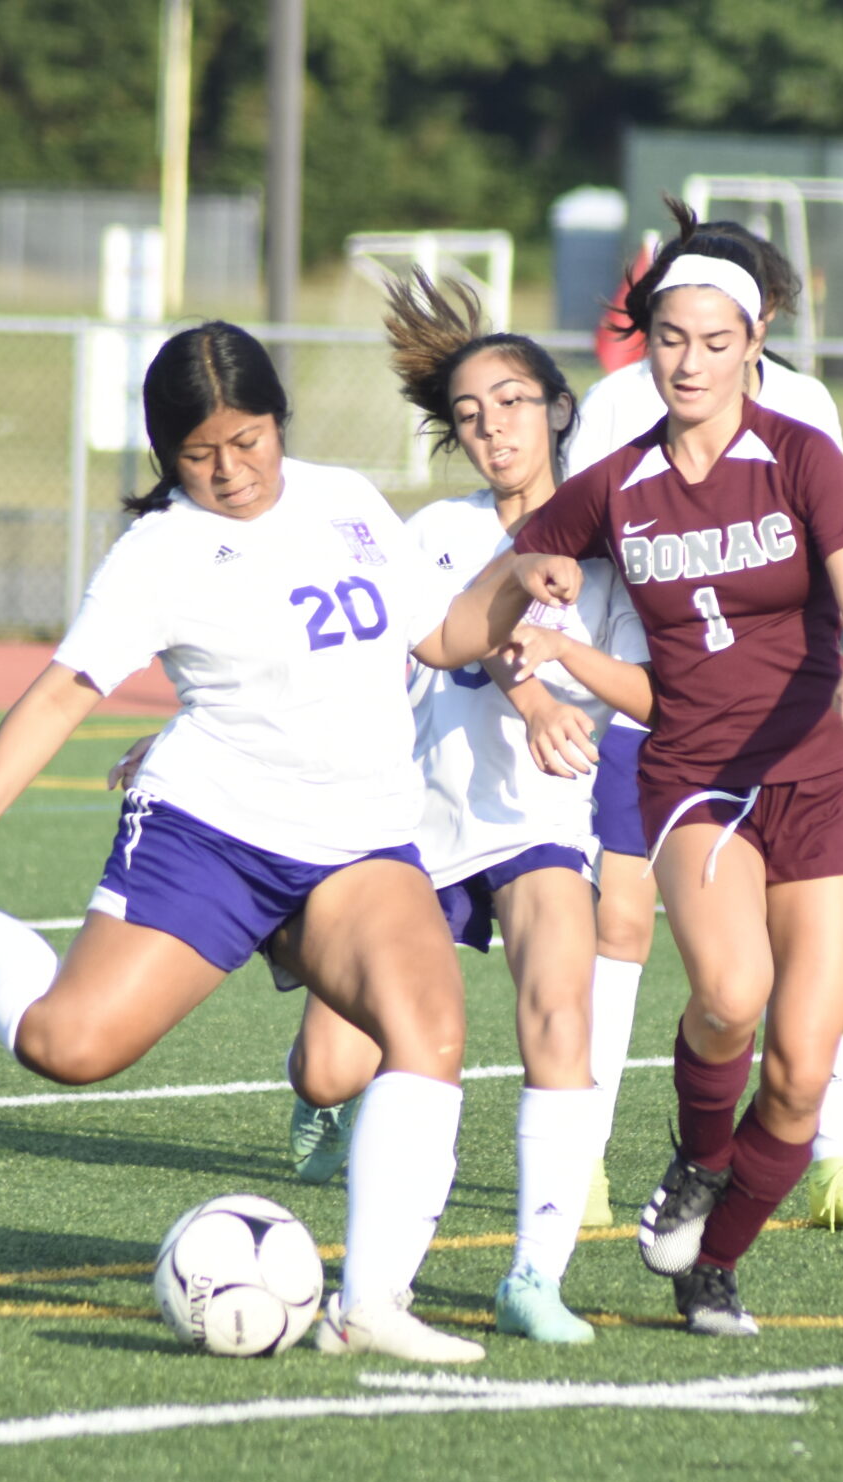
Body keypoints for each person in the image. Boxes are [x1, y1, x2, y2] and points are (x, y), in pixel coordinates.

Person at [0, 321, 535, 1365]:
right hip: (212, 837)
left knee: (430, 1031)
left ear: (280, 422)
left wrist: (529, 575)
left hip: (360, 847)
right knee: (68, 1047)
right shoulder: (162, 551)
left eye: (249, 439)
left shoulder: (348, 502)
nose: (230, 469)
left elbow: (441, 635)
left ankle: (370, 1304)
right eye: (199, 453)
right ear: (164, 457)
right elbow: (63, 694)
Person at [496, 251, 843, 1336]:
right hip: (694, 776)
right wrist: (532, 590)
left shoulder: (802, 456)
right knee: (730, 994)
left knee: (796, 1071)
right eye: (671, 339)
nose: (689, 362)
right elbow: (514, 568)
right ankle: (695, 1160)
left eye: (715, 340)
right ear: (646, 343)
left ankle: (714, 1262)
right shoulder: (616, 483)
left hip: (824, 777)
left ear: (753, 345)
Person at [270, 273, 649, 1344]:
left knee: (558, 1014)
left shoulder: (618, 541)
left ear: (558, 409)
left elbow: (656, 692)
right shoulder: (434, 532)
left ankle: (534, 1274)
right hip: (409, 823)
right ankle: (318, 1090)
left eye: (514, 405)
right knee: (334, 1063)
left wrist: (567, 660)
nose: (494, 430)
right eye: (472, 416)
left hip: (538, 820)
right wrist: (526, 682)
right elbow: (428, 643)